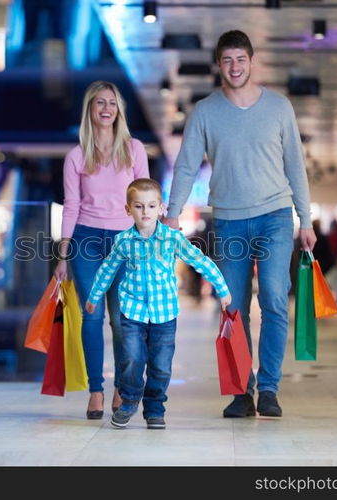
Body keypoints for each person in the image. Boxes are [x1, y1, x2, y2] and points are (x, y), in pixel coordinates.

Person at [164, 30, 316, 418]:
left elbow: (295, 166)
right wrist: (172, 211)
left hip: (275, 217)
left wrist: (306, 219)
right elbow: (185, 165)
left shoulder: (279, 108)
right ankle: (240, 391)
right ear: (219, 65)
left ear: (252, 62)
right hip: (229, 220)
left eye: (241, 59)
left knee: (275, 298)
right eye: (227, 60)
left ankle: (268, 388)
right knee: (232, 307)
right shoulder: (205, 112)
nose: (234, 67)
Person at [85, 179, 231, 429]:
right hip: (132, 312)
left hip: (165, 315)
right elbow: (107, 270)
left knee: (161, 366)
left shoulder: (172, 238)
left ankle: (154, 408)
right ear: (128, 209)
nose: (145, 212)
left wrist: (222, 289)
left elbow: (200, 261)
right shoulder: (123, 241)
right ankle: (129, 400)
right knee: (132, 358)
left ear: (160, 208)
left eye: (151, 206)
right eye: (139, 206)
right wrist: (93, 297)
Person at [54, 81, 149, 419]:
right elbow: (71, 205)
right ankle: (96, 390)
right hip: (87, 242)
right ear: (90, 110)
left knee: (123, 321)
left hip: (125, 243)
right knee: (92, 317)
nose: (106, 108)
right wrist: (63, 254)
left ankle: (123, 388)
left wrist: (147, 243)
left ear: (119, 110)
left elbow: (144, 200)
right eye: (99, 103)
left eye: (112, 103)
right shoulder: (77, 156)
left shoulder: (134, 149)